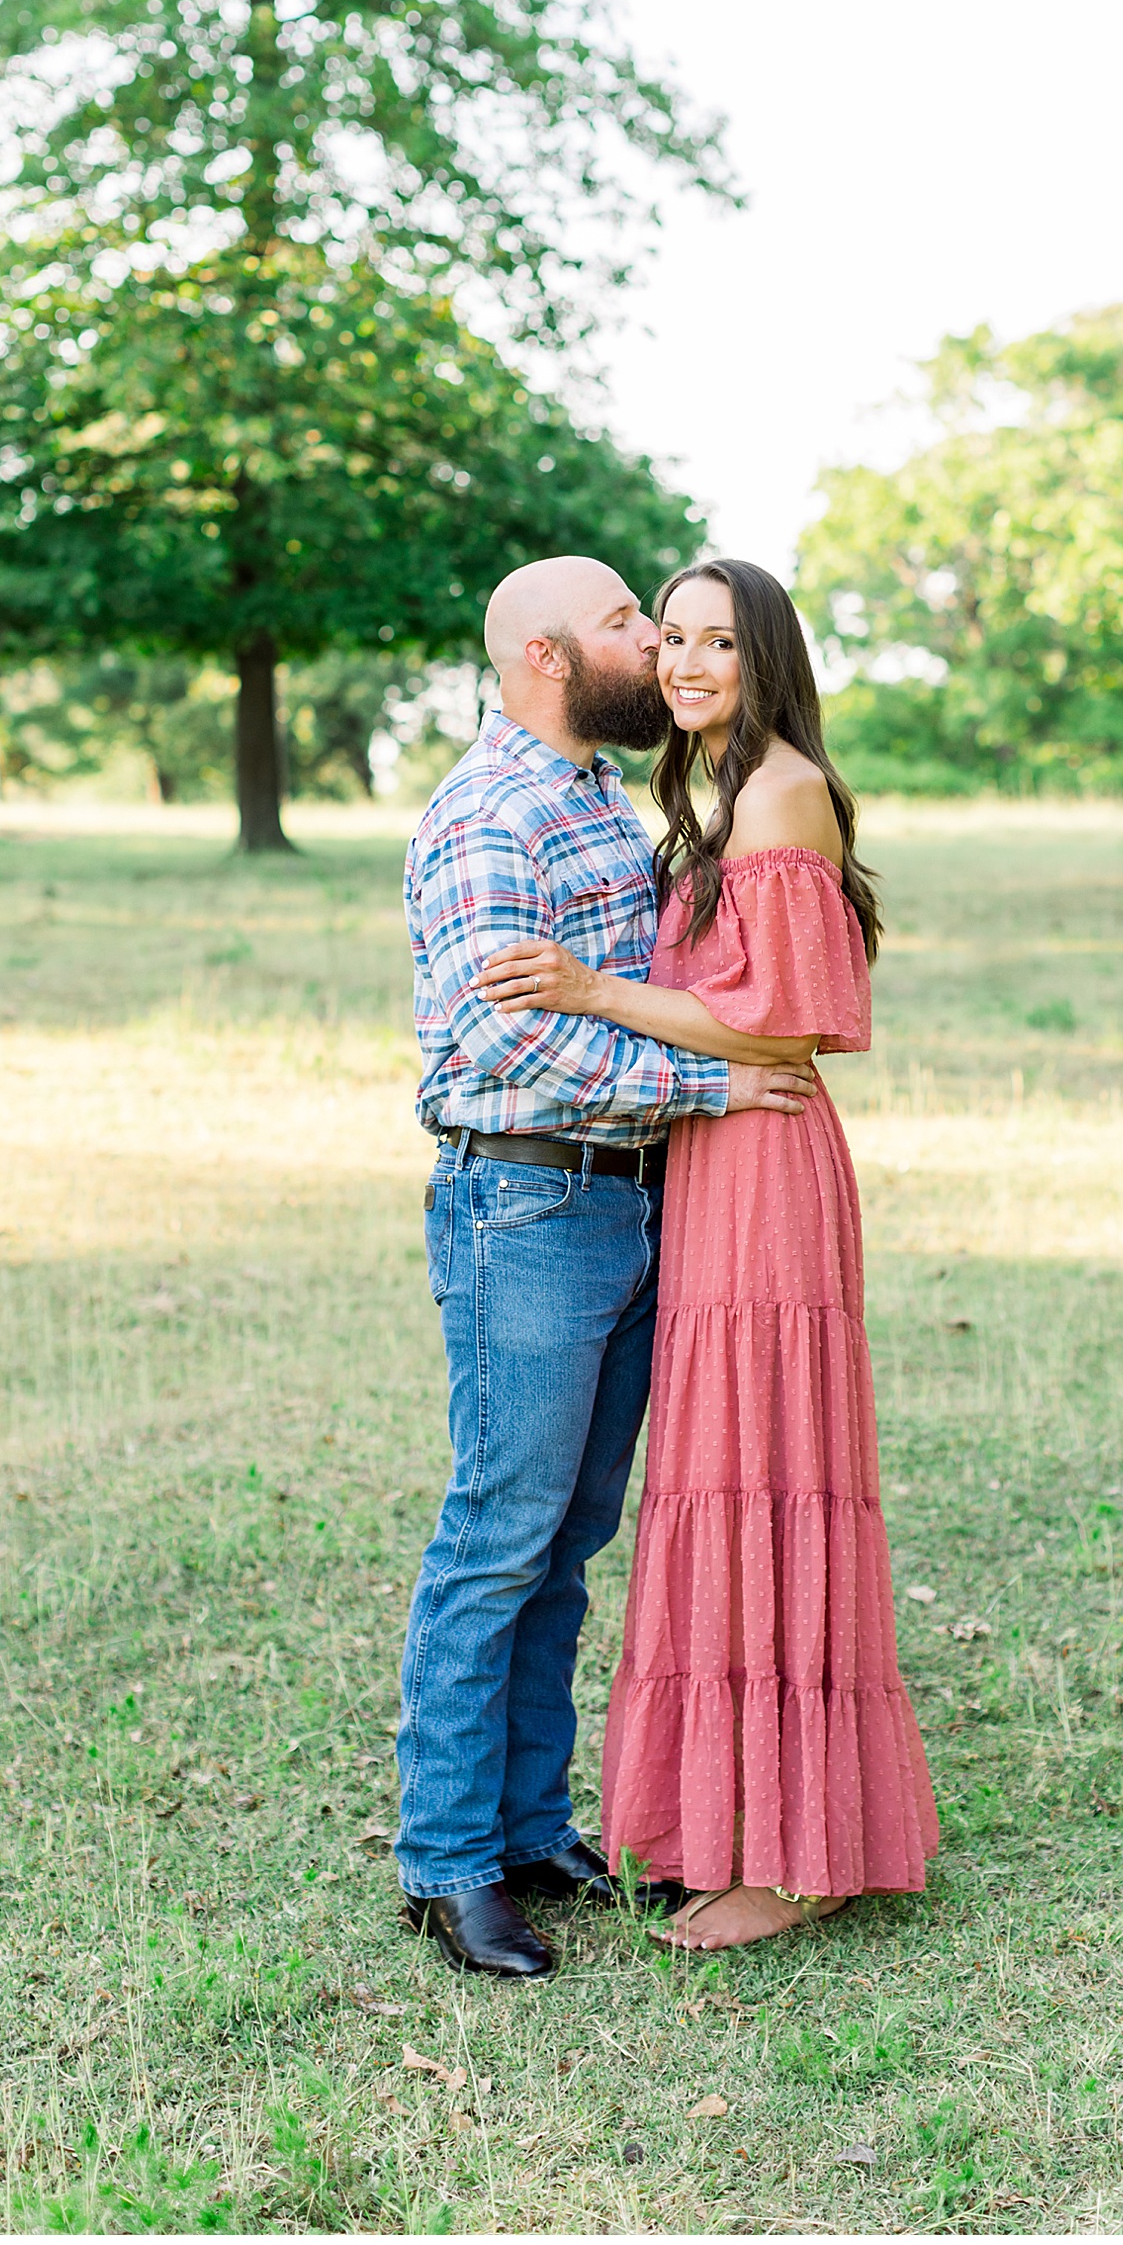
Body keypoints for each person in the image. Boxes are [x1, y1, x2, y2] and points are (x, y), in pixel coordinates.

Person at [476, 558, 939, 1950]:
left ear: (766, 657)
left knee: (768, 1476)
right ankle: (734, 1823)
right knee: (717, 1477)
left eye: (715, 642)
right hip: (709, 1153)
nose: (682, 662)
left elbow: (786, 1026)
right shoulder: (707, 794)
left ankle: (796, 1860)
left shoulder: (782, 789)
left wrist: (592, 987)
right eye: (668, 637)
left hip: (766, 1157)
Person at [396, 553, 823, 1981]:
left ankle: (529, 1828)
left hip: (632, 1201)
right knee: (498, 1535)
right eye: (628, 622)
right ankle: (447, 1861)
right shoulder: (489, 813)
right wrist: (708, 1084)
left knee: (568, 1540)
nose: (655, 643)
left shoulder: (599, 793)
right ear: (547, 656)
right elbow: (501, 1033)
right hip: (527, 1204)